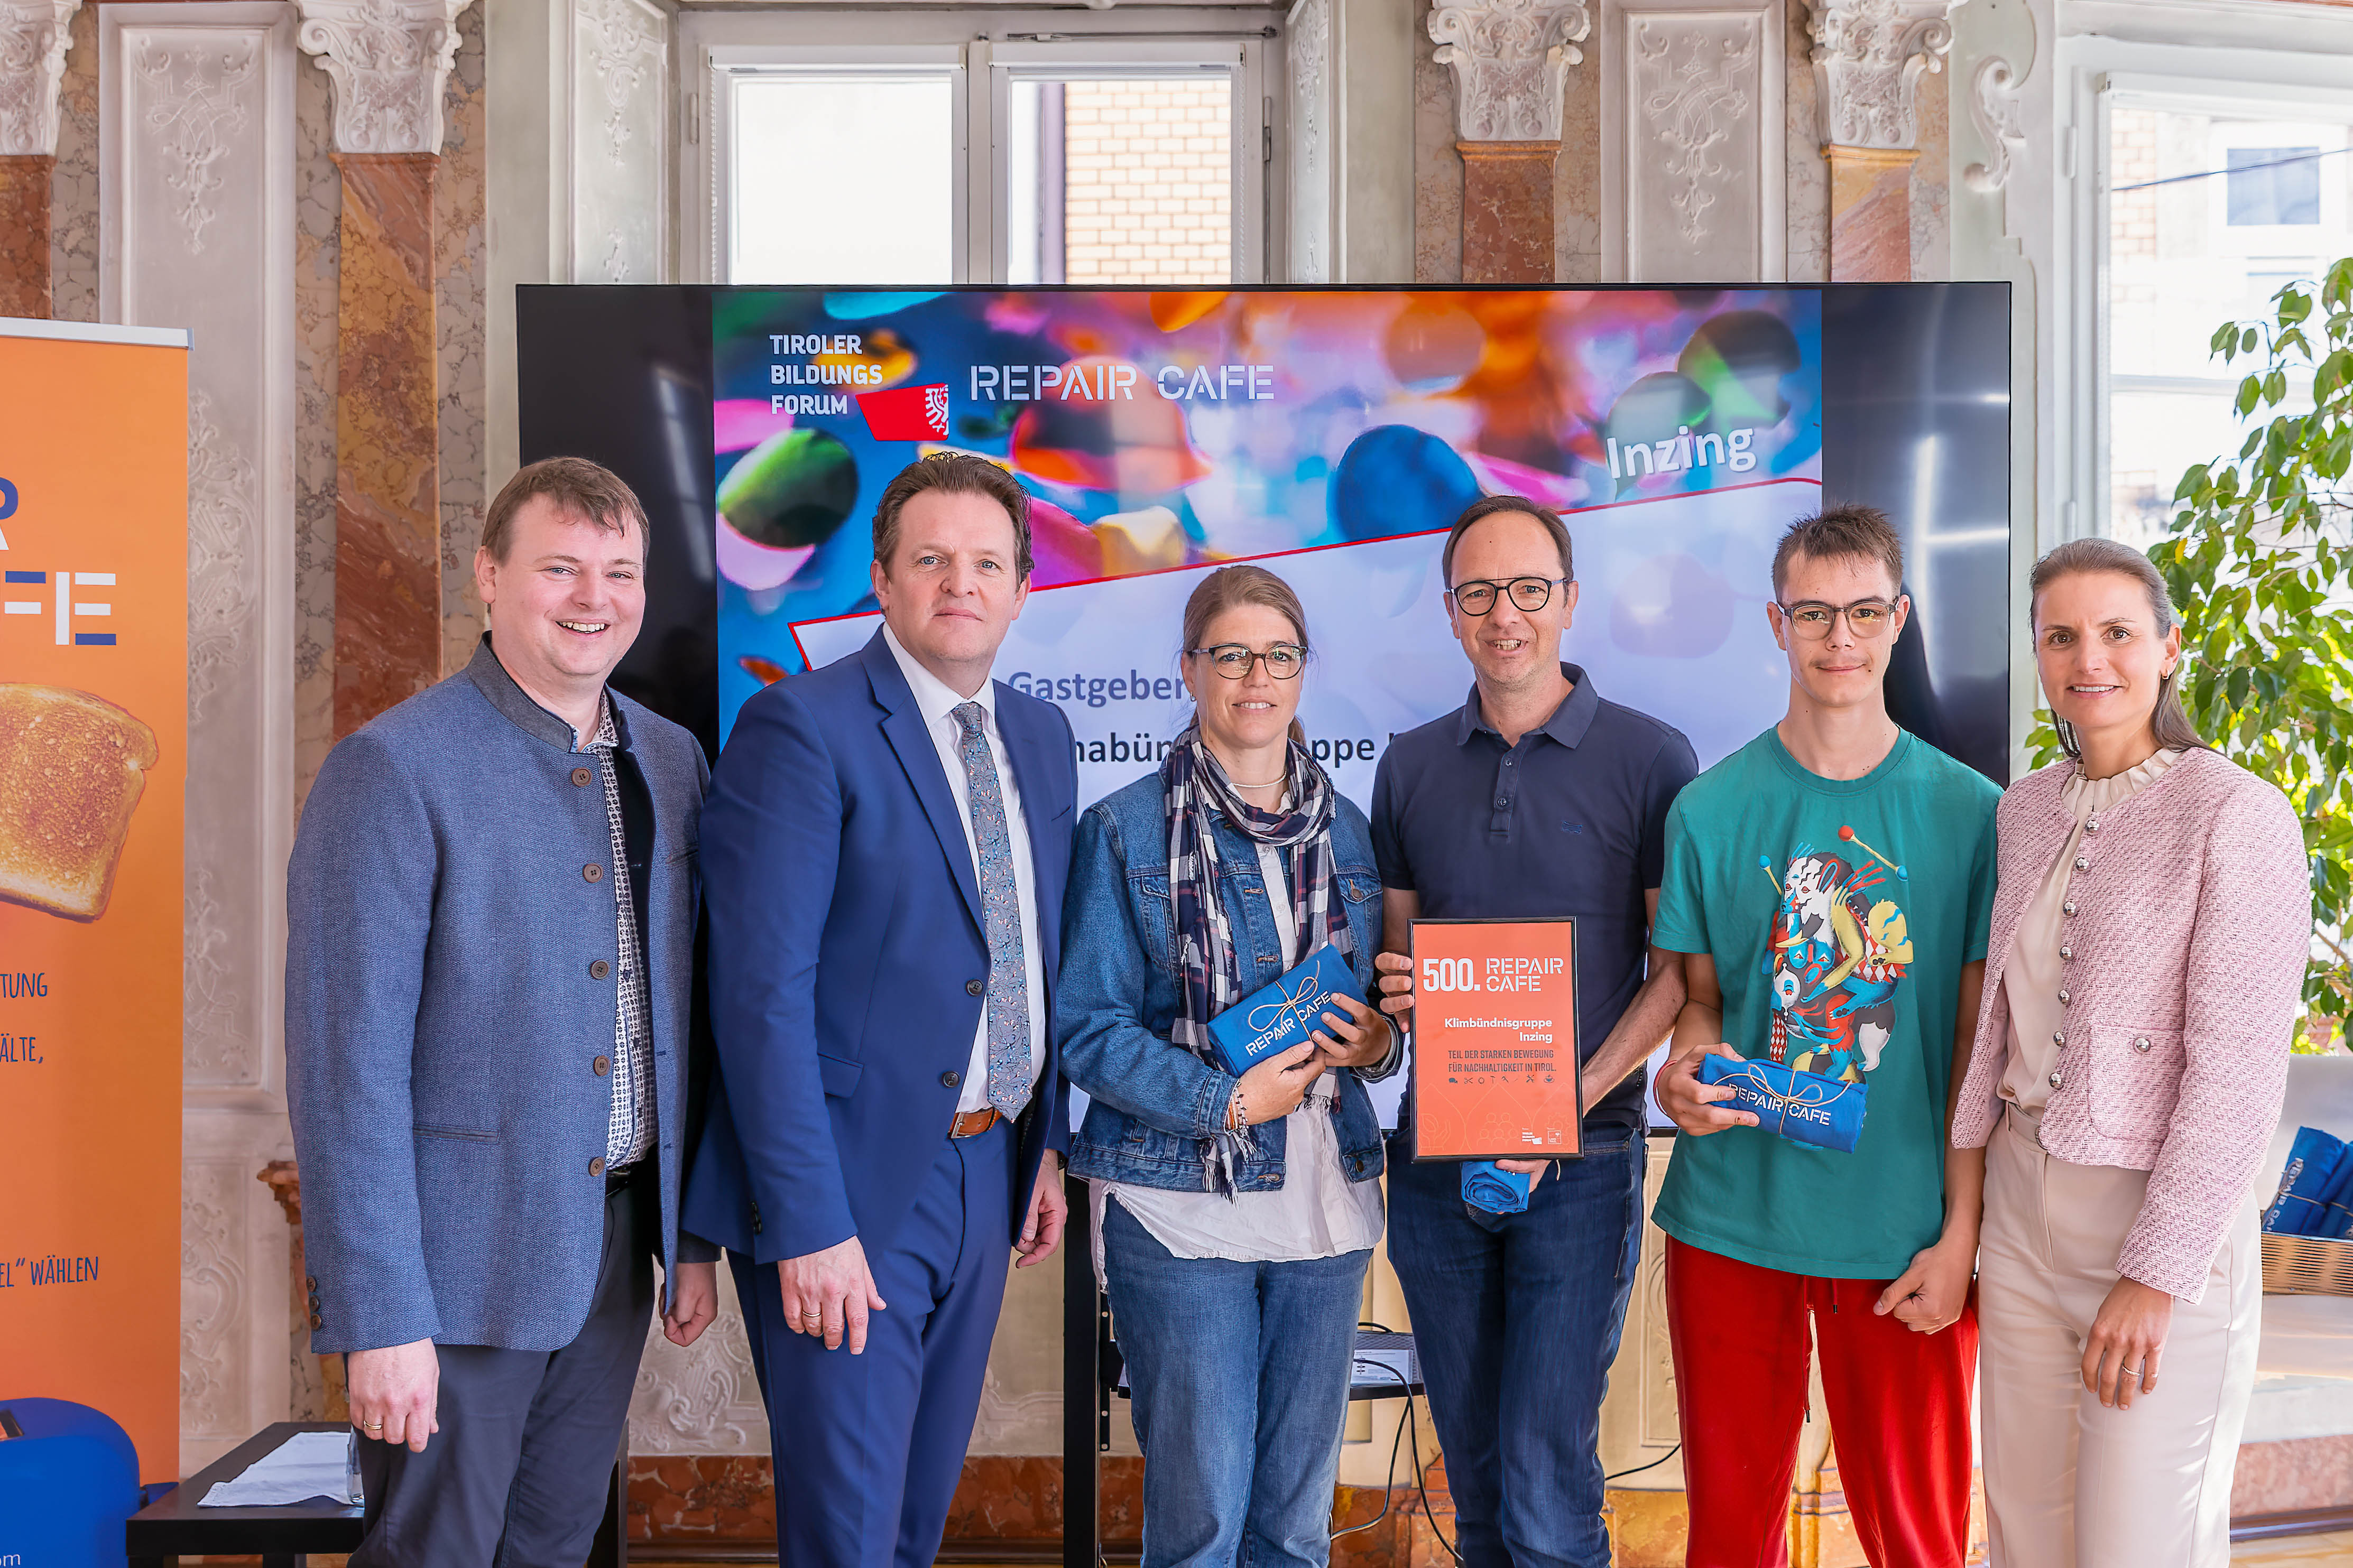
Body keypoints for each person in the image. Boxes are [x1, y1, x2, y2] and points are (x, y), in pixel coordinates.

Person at [285, 457, 720, 1564]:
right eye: (560, 568)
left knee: (556, 1546)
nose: (594, 598)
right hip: (453, 1275)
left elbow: (688, 1017)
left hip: (615, 1251)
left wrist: (690, 1237)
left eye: (619, 572)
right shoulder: (391, 767)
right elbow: (347, 1073)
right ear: (489, 575)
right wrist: (382, 1318)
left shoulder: (672, 760)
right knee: (433, 1551)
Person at [682, 452, 1077, 1568]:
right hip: (847, 1185)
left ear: (1023, 589)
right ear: (884, 578)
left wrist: (1041, 1147)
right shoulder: (801, 726)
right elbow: (759, 998)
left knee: (912, 1528)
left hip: (989, 1167)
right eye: (932, 559)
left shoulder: (1042, 735)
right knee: (849, 1540)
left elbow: (1032, 951)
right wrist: (809, 1221)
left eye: (987, 563)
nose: (961, 583)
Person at [1650, 504, 1997, 1568]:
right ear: (1777, 622)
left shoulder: (1976, 814)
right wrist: (1682, 1069)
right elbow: (1701, 999)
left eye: (1862, 613)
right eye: (1813, 613)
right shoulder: (1709, 809)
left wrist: (1963, 1233)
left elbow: (1977, 1047)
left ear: (1900, 619)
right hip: (1731, 1218)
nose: (1839, 638)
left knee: (1920, 1540)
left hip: (1902, 1228)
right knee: (1727, 1536)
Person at [1957, 538, 2308, 1567]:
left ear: (2169, 646)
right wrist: (1969, 1219)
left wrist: (2155, 1275)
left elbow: (2237, 1073)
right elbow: (1997, 1029)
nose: (2089, 658)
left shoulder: (2238, 814)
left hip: (2156, 1230)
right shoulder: (2023, 809)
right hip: (2020, 1218)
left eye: (2117, 631)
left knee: (2137, 1547)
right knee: (2026, 1536)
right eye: (2060, 636)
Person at [1365, 495, 1697, 1568]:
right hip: (1437, 1157)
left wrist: (1568, 1098)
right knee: (1476, 1482)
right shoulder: (1408, 766)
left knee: (1548, 1488)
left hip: (1584, 1159)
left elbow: (1674, 976)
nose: (1503, 614)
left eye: (1527, 589)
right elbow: (1400, 957)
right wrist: (1399, 991)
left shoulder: (1652, 757)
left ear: (1569, 600)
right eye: (1478, 592)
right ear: (1450, 610)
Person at [1059, 564, 1394, 1568]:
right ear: (1189, 670)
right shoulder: (1122, 828)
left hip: (1326, 1201)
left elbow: (1383, 1012)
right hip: (1180, 1205)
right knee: (1202, 1523)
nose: (1258, 678)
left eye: (1279, 656)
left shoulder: (1349, 828)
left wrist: (1379, 1045)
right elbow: (1086, 1029)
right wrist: (1225, 1098)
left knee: (1294, 1526)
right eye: (1233, 655)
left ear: (1304, 671)